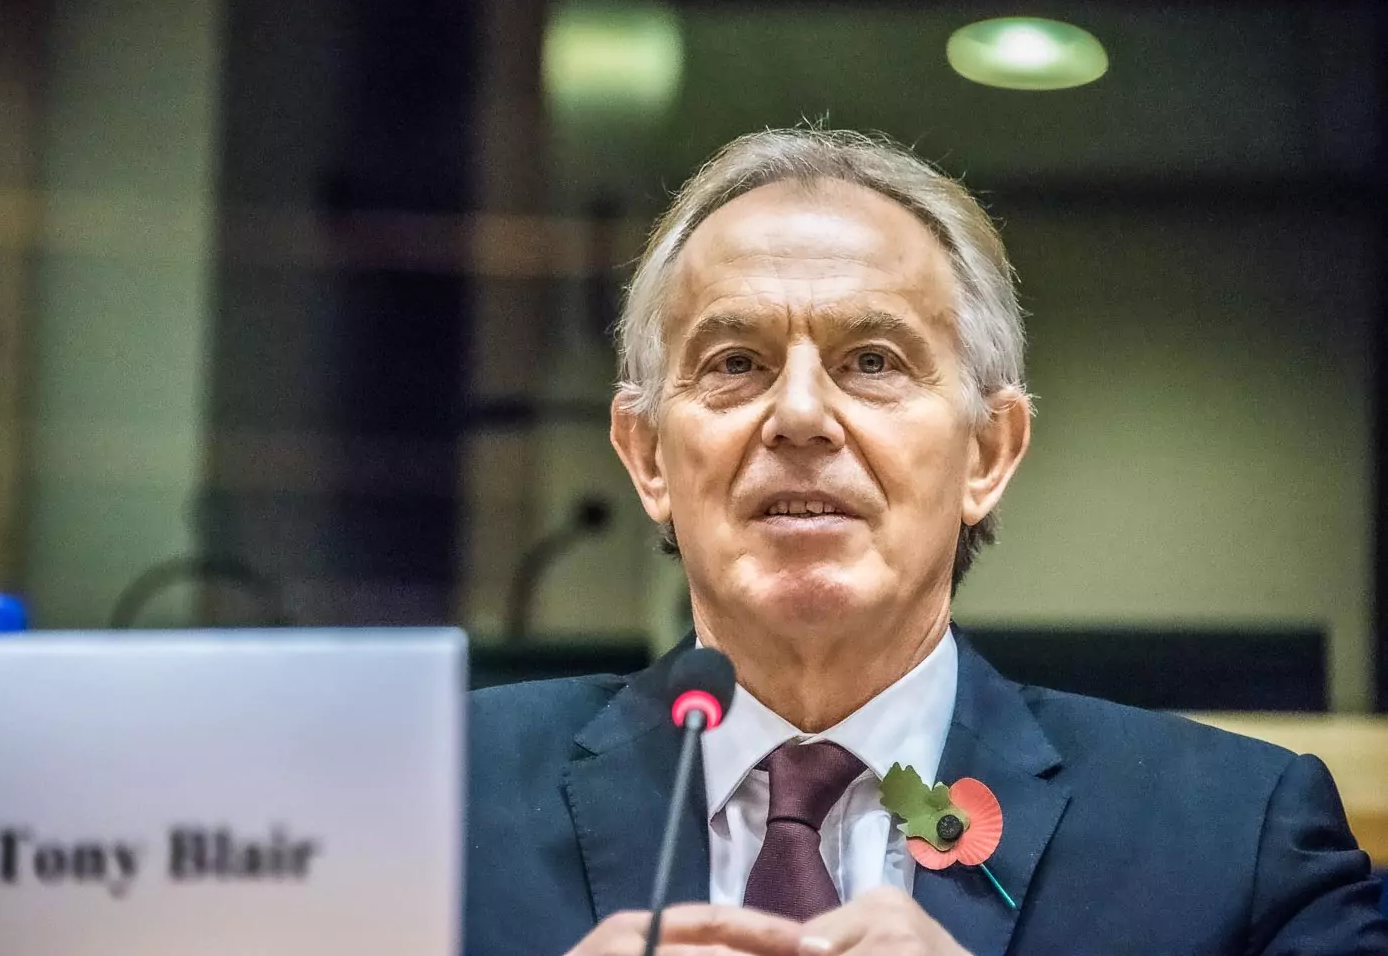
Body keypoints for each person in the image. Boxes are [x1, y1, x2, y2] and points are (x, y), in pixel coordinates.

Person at [463, 127, 1388, 955]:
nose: (799, 414)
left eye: (872, 362)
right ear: (646, 456)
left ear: (989, 452)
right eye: (735, 363)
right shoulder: (437, 796)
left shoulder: (1237, 839)